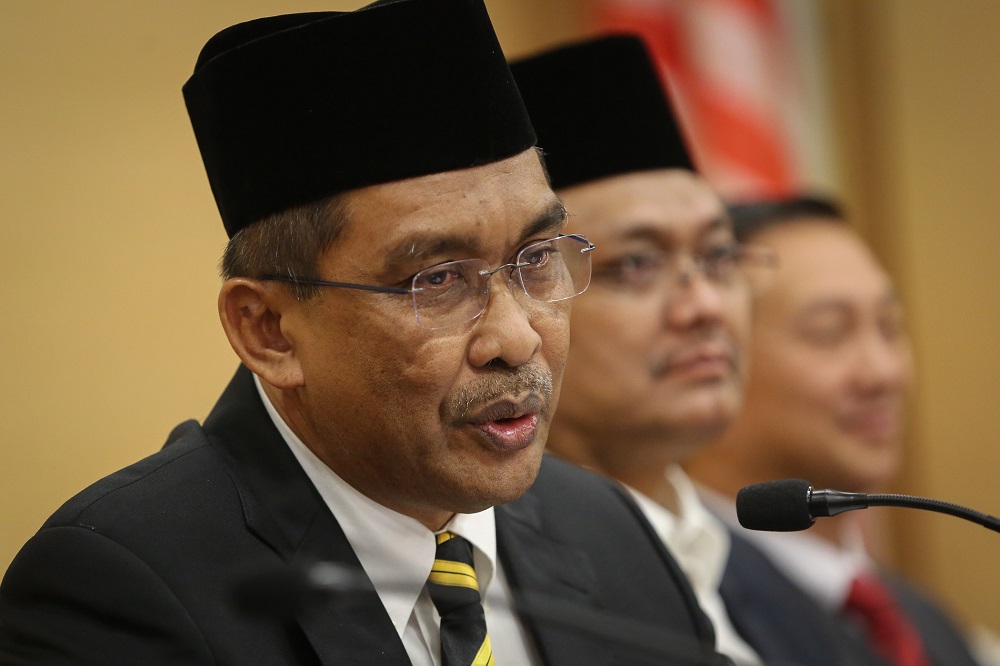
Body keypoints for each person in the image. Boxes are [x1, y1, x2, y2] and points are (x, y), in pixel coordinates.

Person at [0, 2, 729, 665]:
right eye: (438, 279)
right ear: (269, 331)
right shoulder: (122, 585)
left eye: (536, 260)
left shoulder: (611, 534)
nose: (516, 337)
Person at [510, 36, 776, 666]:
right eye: (637, 265)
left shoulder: (764, 578)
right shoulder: (494, 596)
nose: (704, 306)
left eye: (718, 257)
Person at [685, 195, 983, 666]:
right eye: (829, 332)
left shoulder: (928, 622)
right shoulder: (684, 602)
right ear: (711, 358)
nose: (883, 373)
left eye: (889, 327)